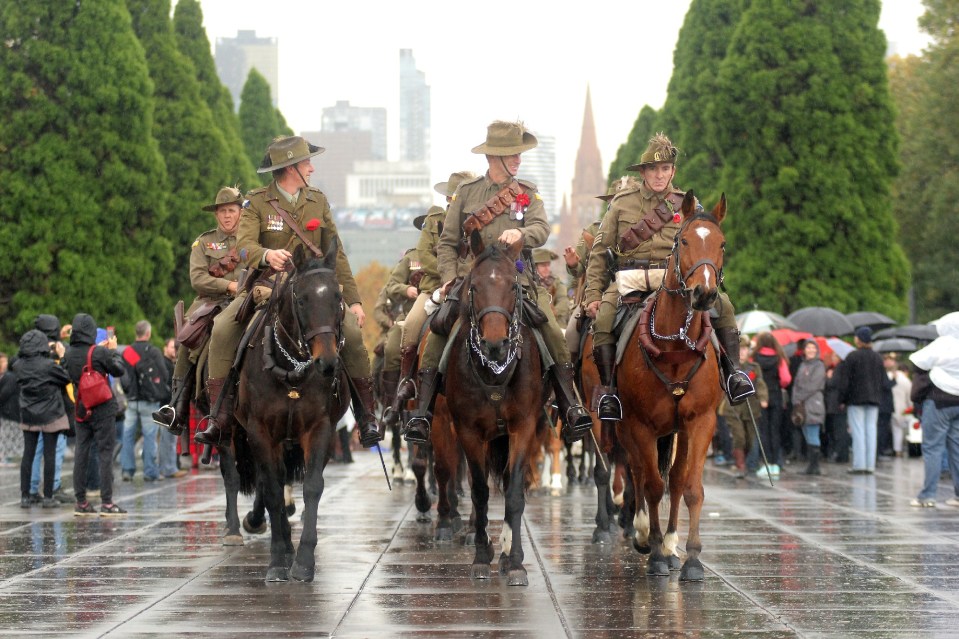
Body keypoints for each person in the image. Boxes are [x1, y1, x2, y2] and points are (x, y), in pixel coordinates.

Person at [404, 121, 592, 445]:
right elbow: (447, 243)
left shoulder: (527, 194)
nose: (518, 159)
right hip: (472, 278)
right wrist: (450, 279)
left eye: (518, 154)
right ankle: (421, 411)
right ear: (493, 157)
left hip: (517, 277)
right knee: (438, 328)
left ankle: (570, 405)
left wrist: (522, 233)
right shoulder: (467, 193)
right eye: (511, 154)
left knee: (551, 331)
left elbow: (543, 229)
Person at [195, 136, 380, 448]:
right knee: (223, 328)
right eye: (307, 162)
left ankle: (366, 415)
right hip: (266, 287)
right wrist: (266, 256)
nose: (311, 167)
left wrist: (355, 301)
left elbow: (338, 254)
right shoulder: (255, 202)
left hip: (315, 292)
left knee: (351, 330)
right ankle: (219, 415)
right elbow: (243, 248)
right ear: (291, 167)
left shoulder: (318, 201)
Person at [583, 133, 754, 422]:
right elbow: (599, 252)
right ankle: (610, 392)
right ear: (643, 172)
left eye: (665, 169)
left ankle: (734, 374)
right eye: (653, 169)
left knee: (724, 306)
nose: (659, 175)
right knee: (602, 321)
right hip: (630, 279)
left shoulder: (688, 203)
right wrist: (593, 295)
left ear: (673, 171)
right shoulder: (622, 204)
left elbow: (705, 242)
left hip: (675, 279)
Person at [386, 171, 476, 422]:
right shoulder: (435, 219)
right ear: (449, 197)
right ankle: (407, 382)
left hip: (469, 286)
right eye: (457, 195)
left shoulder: (480, 219)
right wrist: (448, 277)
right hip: (434, 287)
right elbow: (424, 254)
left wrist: (462, 278)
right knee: (413, 324)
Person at [153, 186, 243, 435]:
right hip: (211, 303)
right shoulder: (204, 242)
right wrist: (229, 285)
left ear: (240, 213)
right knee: (187, 339)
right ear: (216, 215)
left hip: (249, 299)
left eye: (231, 210)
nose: (227, 216)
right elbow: (198, 279)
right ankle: (176, 408)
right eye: (222, 211)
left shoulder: (252, 240)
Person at [62, 313, 128, 516]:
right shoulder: (98, 352)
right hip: (103, 407)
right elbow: (119, 370)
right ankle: (107, 503)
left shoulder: (68, 353)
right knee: (105, 453)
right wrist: (113, 351)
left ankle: (81, 502)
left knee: (81, 452)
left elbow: (66, 373)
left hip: (81, 408)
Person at [11, 329, 70, 508]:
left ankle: (25, 496)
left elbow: (15, 359)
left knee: (28, 454)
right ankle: (48, 497)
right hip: (50, 415)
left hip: (28, 415)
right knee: (49, 455)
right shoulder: (49, 365)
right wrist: (61, 355)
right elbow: (66, 377)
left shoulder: (19, 365)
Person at [908, 314, 959, 507]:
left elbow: (917, 362)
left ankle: (927, 495)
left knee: (932, 448)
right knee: (957, 449)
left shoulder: (943, 342)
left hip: (938, 401)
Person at [28, 314, 73, 504]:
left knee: (36, 450)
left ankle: (31, 488)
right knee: (56, 449)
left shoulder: (29, 351)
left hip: (32, 408)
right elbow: (65, 375)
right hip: (55, 408)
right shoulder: (57, 354)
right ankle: (53, 486)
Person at [120, 320, 168, 481]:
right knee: (150, 436)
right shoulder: (153, 351)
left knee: (127, 435)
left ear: (136, 333)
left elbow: (122, 375)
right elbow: (164, 373)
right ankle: (150, 471)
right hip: (150, 400)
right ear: (148, 333)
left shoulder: (127, 352)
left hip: (132, 400)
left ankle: (127, 470)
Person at [837, 327, 886, 474]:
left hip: (855, 399)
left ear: (859, 339)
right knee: (871, 430)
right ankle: (870, 465)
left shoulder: (852, 356)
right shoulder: (878, 358)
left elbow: (845, 381)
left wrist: (842, 399)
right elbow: (883, 380)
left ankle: (859, 464)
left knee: (857, 431)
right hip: (874, 400)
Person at [722, 336, 769, 478]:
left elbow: (760, 384)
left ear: (749, 351)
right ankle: (740, 466)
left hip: (751, 408)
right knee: (739, 437)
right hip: (734, 408)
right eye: (738, 349)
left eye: (744, 349)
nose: (742, 352)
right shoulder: (729, 366)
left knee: (750, 438)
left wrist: (763, 398)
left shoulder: (754, 367)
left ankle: (748, 463)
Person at [752, 332, 791, 479]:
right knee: (775, 430)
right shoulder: (779, 358)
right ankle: (775, 464)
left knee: (763, 431)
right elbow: (786, 379)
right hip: (775, 395)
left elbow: (751, 377)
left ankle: (766, 463)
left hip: (760, 397)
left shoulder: (754, 358)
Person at [791, 340, 826, 475]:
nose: (810, 350)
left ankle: (814, 465)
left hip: (813, 403)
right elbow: (796, 384)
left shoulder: (819, 366)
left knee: (813, 433)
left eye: (813, 348)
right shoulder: (802, 365)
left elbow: (814, 385)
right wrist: (796, 399)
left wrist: (800, 397)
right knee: (806, 432)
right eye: (808, 348)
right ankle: (811, 464)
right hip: (802, 405)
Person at [157, 338, 185, 479]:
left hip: (169, 404)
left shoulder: (170, 363)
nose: (174, 350)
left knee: (169, 439)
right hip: (166, 405)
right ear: (165, 348)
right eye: (172, 347)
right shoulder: (164, 364)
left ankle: (169, 467)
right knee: (167, 439)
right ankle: (168, 468)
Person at [531, 248, 569, 326]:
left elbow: (563, 301)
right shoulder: (529, 283)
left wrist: (552, 313)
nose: (547, 268)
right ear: (535, 267)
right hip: (533, 322)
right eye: (543, 266)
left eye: (548, 265)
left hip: (554, 322)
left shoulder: (556, 282)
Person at [824, 353, 849, 463]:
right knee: (841, 429)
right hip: (840, 402)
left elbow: (833, 383)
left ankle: (839, 453)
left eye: (834, 356)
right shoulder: (844, 368)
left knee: (839, 430)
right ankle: (843, 453)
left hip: (836, 402)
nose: (832, 358)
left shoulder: (839, 368)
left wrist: (828, 377)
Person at [886, 354, 913, 456]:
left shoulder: (888, 375)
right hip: (901, 409)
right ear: (906, 371)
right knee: (898, 430)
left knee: (886, 430)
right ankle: (898, 450)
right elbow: (910, 398)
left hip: (887, 407)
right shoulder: (906, 380)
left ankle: (887, 449)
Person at [0, 352, 20, 466]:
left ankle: (4, 457)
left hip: (7, 412)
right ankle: (3, 458)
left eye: (5, 361)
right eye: (2, 362)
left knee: (5, 436)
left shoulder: (9, 376)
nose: (5, 364)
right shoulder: (8, 377)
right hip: (5, 412)